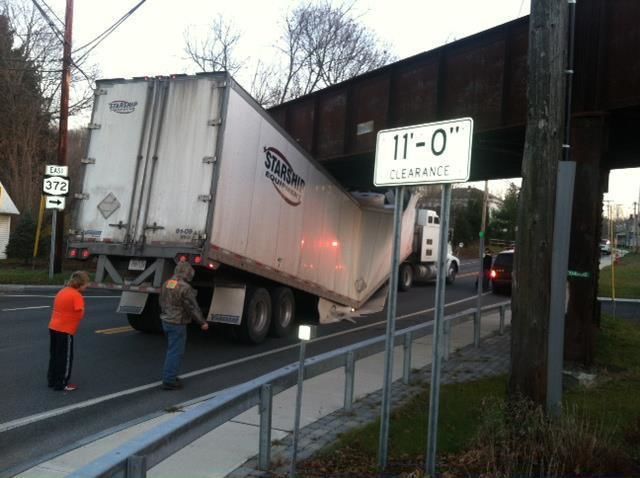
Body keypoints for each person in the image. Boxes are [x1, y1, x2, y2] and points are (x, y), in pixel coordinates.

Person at [159, 261, 209, 390]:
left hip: (166, 320)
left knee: (171, 350)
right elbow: (192, 308)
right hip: (177, 323)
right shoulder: (185, 288)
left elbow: (162, 301)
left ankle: (170, 376)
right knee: (175, 352)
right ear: (188, 273)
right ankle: (169, 380)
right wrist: (202, 322)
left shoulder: (167, 283)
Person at [47, 270, 91, 392]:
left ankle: (52, 380)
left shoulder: (63, 291)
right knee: (65, 358)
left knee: (55, 355)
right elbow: (80, 313)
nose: (88, 285)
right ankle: (62, 383)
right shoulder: (76, 295)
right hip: (65, 330)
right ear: (81, 283)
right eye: (87, 283)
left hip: (54, 327)